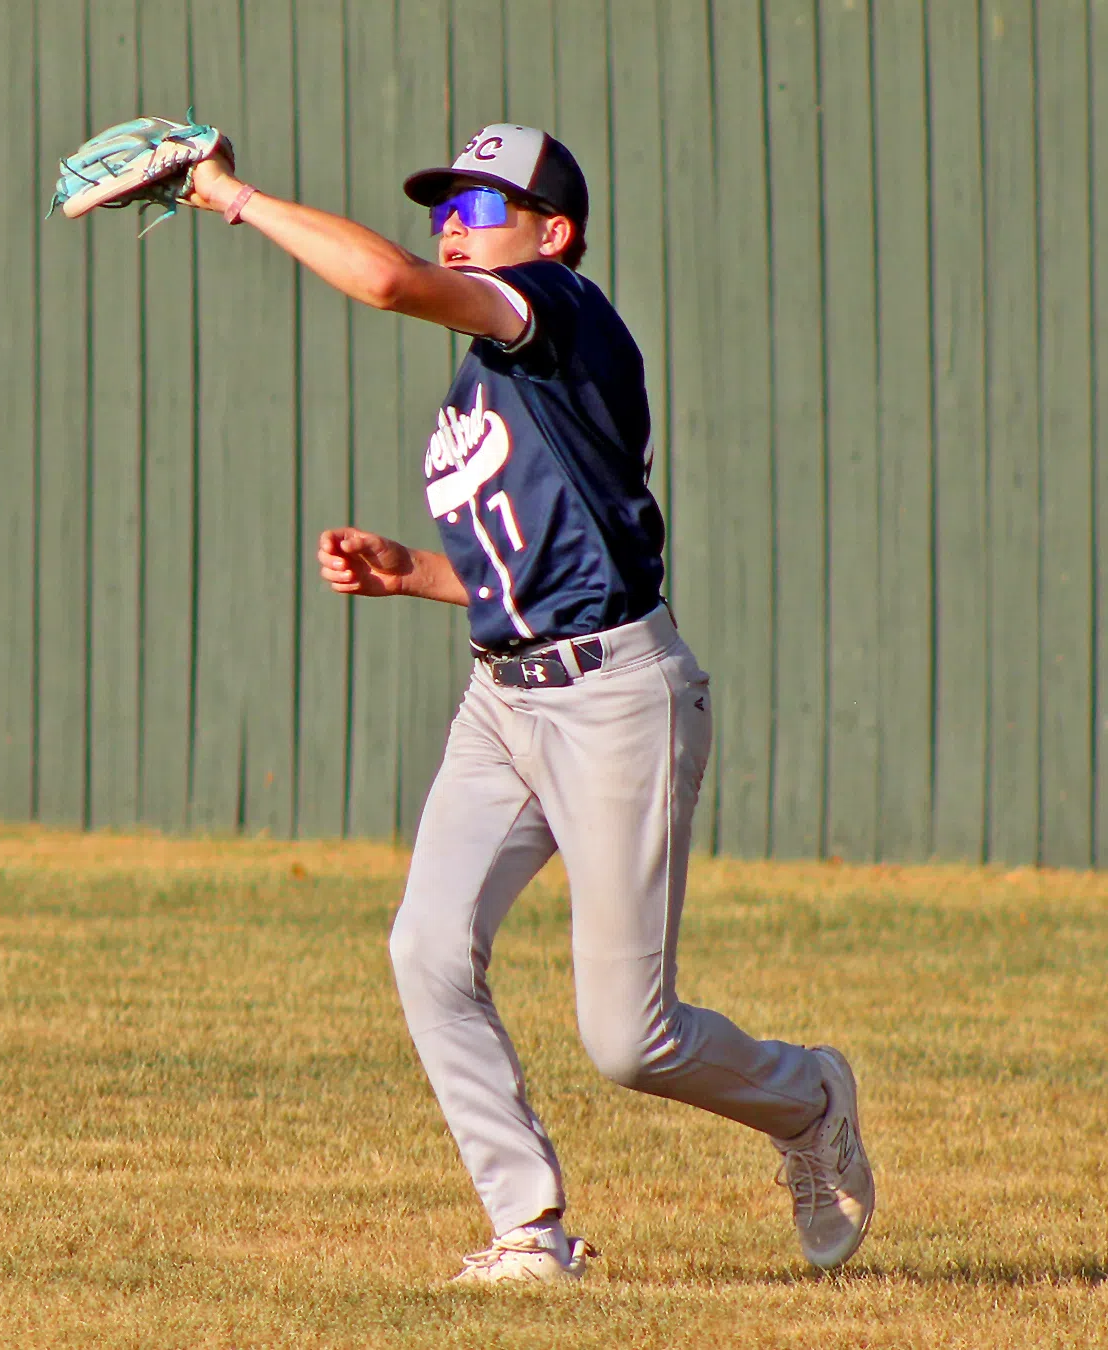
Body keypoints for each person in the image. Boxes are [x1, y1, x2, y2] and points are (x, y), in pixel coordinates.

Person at [178, 124, 872, 1284]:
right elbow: (530, 565)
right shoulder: (489, 377)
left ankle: (809, 1099)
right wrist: (411, 571)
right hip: (501, 700)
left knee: (630, 1042)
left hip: (615, 702)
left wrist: (234, 198)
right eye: (446, 202)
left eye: (483, 204)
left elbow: (391, 281)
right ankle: (531, 1232)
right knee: (427, 948)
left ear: (553, 233)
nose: (455, 221)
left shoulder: (560, 306)